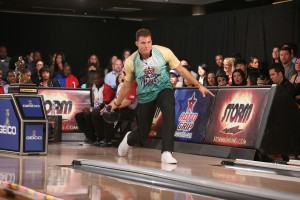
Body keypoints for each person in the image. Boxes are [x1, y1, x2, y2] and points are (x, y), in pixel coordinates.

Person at [110, 29, 213, 164]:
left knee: (169, 111)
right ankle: (129, 138)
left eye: (149, 42)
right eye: (143, 43)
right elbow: (127, 86)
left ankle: (166, 152)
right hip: (145, 95)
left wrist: (199, 85)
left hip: (163, 89)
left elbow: (181, 70)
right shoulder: (130, 61)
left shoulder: (164, 52)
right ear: (137, 43)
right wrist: (116, 103)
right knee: (144, 130)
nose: (147, 45)